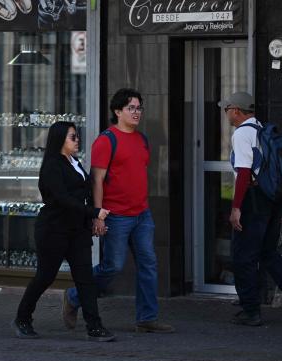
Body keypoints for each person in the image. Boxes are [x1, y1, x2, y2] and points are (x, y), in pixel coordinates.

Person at [63, 88, 174, 333]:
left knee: (148, 264)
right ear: (117, 112)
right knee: (112, 266)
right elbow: (97, 181)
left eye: (139, 108)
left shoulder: (142, 139)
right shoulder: (106, 140)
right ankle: (74, 296)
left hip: (142, 214)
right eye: (130, 108)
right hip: (116, 215)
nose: (136, 112)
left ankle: (147, 318)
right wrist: (98, 215)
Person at [11, 121, 115, 342]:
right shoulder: (52, 165)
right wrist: (93, 211)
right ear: (59, 139)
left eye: (77, 136)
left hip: (78, 230)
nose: (77, 140)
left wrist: (93, 217)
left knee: (85, 279)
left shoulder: (74, 162)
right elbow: (62, 199)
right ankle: (22, 319)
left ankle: (94, 326)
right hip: (54, 230)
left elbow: (82, 192)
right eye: (72, 137)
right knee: (45, 277)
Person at [220, 91, 282, 326]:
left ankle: (250, 310)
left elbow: (245, 173)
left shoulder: (242, 135)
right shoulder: (263, 129)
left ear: (236, 111)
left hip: (254, 200)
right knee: (267, 251)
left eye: (226, 109)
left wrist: (236, 208)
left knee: (244, 256)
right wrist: (280, 213)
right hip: (273, 200)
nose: (226, 113)